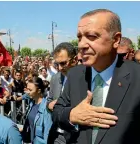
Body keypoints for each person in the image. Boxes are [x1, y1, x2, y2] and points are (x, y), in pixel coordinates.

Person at [52, 9, 140, 144]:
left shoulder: (136, 76)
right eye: (80, 37)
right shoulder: (75, 75)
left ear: (116, 39)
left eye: (91, 36)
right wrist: (72, 115)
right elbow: (58, 111)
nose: (81, 45)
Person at [47, 42, 77, 144]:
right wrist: (51, 105)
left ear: (75, 60)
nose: (59, 68)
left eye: (63, 63)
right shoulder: (55, 78)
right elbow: (49, 100)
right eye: (57, 64)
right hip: (57, 135)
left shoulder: (86, 78)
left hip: (76, 135)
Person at [22, 76, 52, 144]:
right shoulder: (31, 103)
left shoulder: (46, 108)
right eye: (27, 89)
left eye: (30, 90)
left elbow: (47, 134)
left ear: (38, 91)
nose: (28, 92)